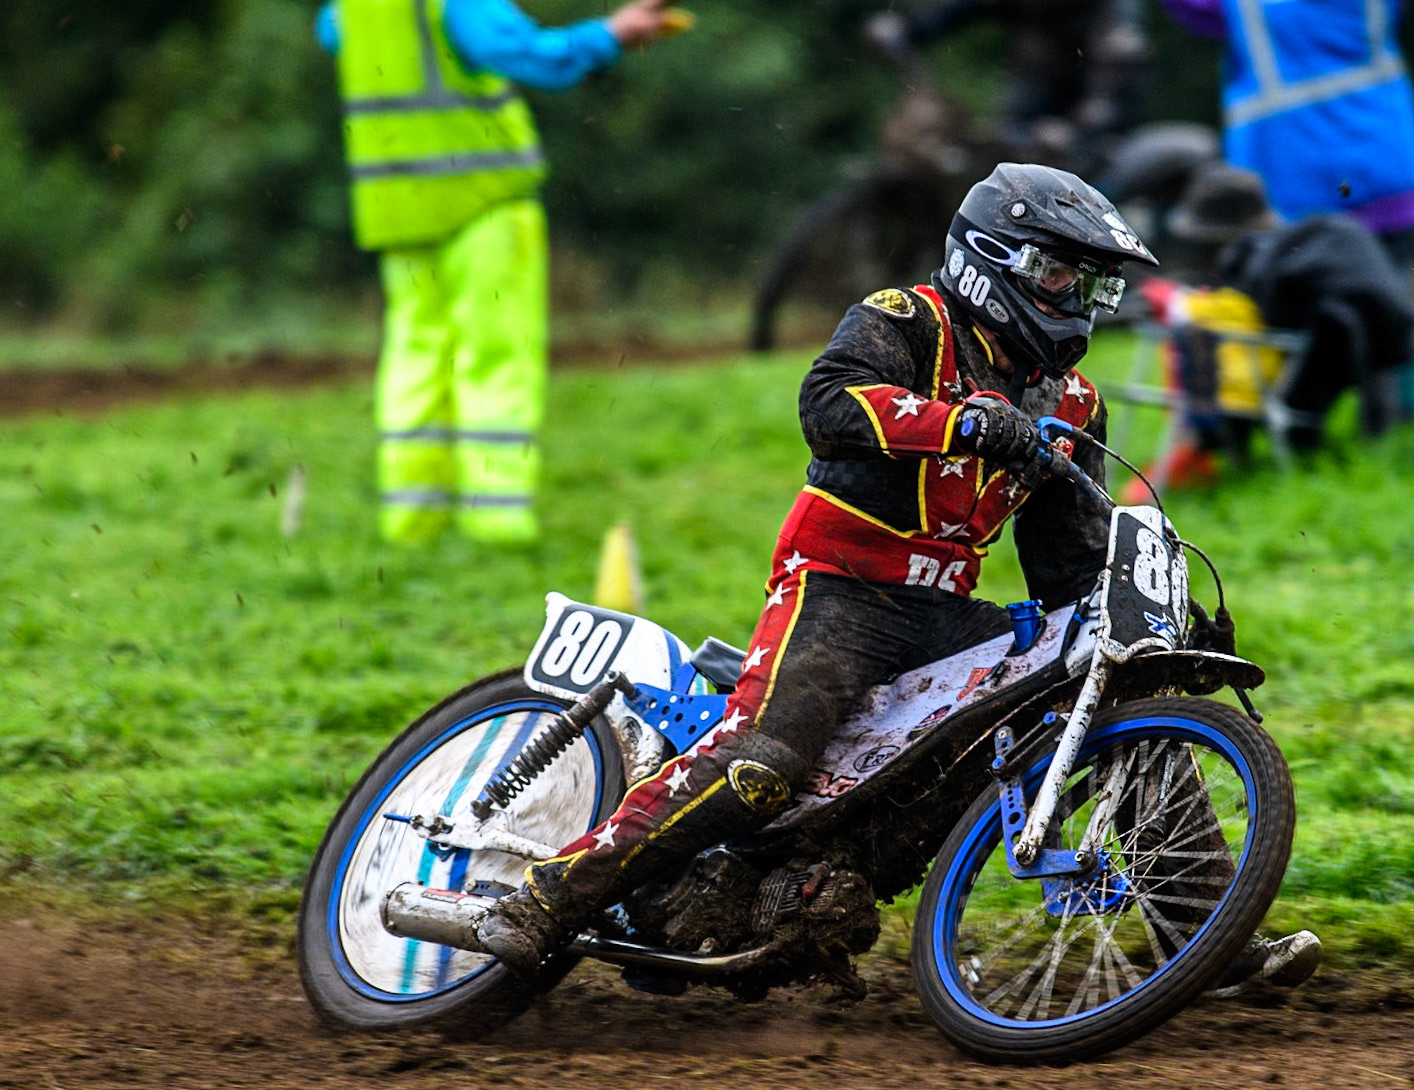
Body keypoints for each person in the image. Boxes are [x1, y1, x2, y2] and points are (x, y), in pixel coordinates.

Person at [477, 163, 1319, 993]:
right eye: (1059, 273)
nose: (1075, 299)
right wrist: (964, 424)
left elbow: (1069, 558)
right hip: (838, 586)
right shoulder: (907, 320)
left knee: (1115, 697)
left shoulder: (1073, 400)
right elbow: (829, 403)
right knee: (762, 764)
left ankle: (1207, 931)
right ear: (994, 258)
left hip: (944, 609)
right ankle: (551, 896)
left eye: (1091, 285)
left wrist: (1147, 625)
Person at [315, 0, 680, 544]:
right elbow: (528, 57)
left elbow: (331, 35)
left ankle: (412, 519)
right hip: (483, 199)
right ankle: (496, 519)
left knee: (415, 357)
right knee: (495, 353)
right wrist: (613, 33)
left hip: (397, 207)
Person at [1159, 0, 1414, 417]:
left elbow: (1194, 11)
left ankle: (1277, 426)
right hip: (1383, 162)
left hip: (1292, 176)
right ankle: (1394, 431)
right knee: (1389, 304)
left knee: (1280, 314)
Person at [1124, 162, 1414, 495]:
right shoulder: (1299, 244)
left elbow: (1255, 317)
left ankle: (1237, 452)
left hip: (1348, 330)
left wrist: (1188, 308)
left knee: (1246, 368)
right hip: (1392, 328)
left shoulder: (1262, 261)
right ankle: (1333, 451)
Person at [865, 0, 1150, 159]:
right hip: (1021, 120)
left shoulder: (1111, 14)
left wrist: (1078, 130)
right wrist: (907, 28)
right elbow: (955, 9)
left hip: (1086, 137)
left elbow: (1117, 76)